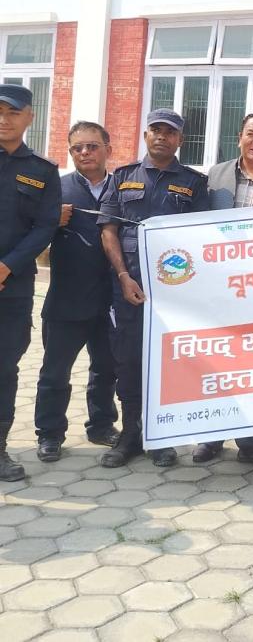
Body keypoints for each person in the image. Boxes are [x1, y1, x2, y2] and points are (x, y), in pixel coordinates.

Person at [98, 109, 209, 468]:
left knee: (167, 363)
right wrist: (122, 276)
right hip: (129, 288)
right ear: (146, 135)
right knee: (128, 360)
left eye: (170, 132)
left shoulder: (194, 183)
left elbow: (200, 237)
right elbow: (109, 231)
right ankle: (130, 435)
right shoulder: (122, 177)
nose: (162, 136)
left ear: (180, 140)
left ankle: (161, 436)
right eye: (155, 130)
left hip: (173, 293)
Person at [192, 112, 253, 465]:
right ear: (239, 137)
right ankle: (211, 436)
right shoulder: (215, 175)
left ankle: (251, 434)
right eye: (251, 134)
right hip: (221, 287)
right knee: (219, 361)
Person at [35, 122, 119, 463]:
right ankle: (50, 434)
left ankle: (101, 425)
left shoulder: (122, 188)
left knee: (106, 369)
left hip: (110, 298)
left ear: (108, 149)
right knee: (55, 372)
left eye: (92, 146)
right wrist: (50, 221)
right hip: (66, 298)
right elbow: (32, 241)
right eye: (77, 148)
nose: (85, 152)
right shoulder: (55, 189)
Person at [0, 84, 61, 481]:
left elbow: (45, 226)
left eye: (12, 112)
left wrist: (7, 266)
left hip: (13, 287)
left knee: (4, 368)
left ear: (29, 118)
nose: (3, 119)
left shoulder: (42, 170)